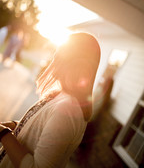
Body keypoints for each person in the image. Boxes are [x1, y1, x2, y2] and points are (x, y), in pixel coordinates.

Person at [0, 32, 101, 168]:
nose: (53, 57)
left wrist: (3, 134)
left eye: (59, 53)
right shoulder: (63, 97)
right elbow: (40, 128)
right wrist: (12, 125)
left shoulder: (68, 109)